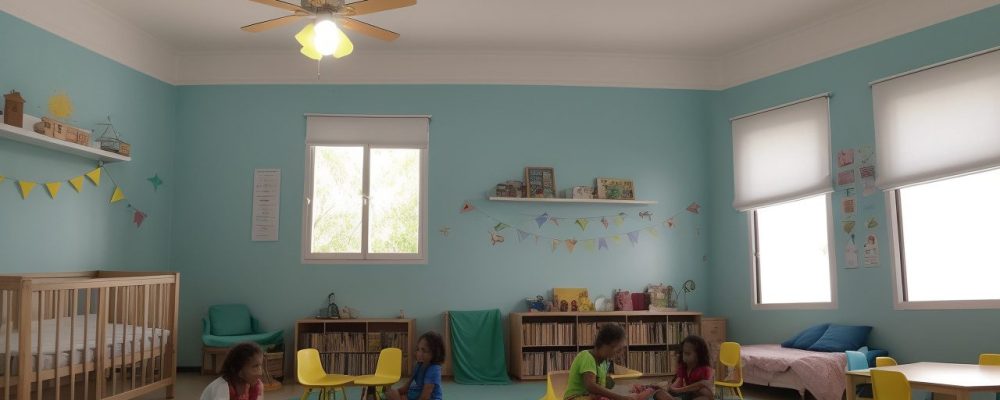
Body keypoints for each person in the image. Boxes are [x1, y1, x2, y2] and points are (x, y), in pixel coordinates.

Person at [564, 324, 653, 400]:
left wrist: (632, 388)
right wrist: (621, 398)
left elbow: (605, 388)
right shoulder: (586, 356)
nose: (618, 354)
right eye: (617, 349)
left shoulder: (604, 363)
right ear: (604, 344)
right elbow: (590, 386)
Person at [387, 331, 444, 400]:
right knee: (392, 393)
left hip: (429, 398)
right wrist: (396, 392)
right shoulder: (419, 365)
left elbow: (425, 397)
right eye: (418, 349)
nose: (419, 354)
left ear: (435, 353)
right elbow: (406, 386)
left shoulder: (434, 369)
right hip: (416, 394)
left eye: (424, 351)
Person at [660, 335, 714, 400]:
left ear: (699, 355)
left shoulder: (705, 369)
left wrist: (678, 390)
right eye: (683, 353)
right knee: (659, 393)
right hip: (688, 393)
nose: (684, 356)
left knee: (704, 392)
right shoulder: (683, 366)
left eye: (688, 354)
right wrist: (671, 388)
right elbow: (678, 381)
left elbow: (702, 384)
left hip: (700, 395)